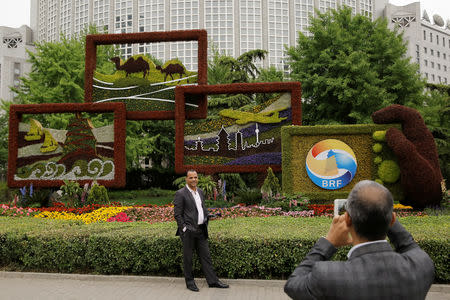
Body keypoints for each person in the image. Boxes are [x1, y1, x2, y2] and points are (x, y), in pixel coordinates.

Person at [284, 180, 435, 300]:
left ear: (348, 219)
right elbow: (409, 245)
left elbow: (293, 285)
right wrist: (383, 214)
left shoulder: (328, 276)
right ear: (392, 219)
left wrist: (328, 242)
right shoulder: (421, 265)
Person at [174, 169, 229, 292]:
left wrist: (209, 215)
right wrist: (184, 228)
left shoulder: (200, 191)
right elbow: (177, 214)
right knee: (188, 258)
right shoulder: (180, 193)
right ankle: (190, 282)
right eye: (191, 178)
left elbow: (201, 208)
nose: (194, 180)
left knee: (206, 256)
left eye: (195, 177)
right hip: (188, 231)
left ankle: (213, 281)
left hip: (201, 230)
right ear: (186, 179)